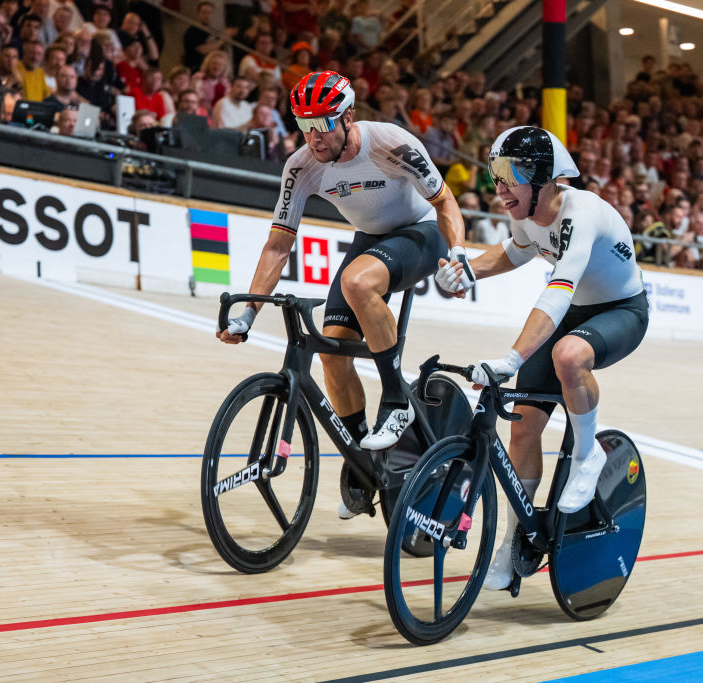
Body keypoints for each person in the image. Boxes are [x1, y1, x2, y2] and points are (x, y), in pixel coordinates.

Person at [216, 71, 468, 517]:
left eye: (322, 124)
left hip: (422, 233)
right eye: (303, 125)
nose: (312, 137)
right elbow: (278, 244)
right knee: (332, 352)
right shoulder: (301, 166)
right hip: (371, 240)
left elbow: (445, 203)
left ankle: (396, 401)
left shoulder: (390, 142)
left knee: (357, 281)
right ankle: (361, 458)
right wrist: (248, 314)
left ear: (348, 116)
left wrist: (460, 255)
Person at [436, 126, 648, 591]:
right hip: (577, 309)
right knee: (523, 423)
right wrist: (467, 270)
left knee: (570, 356)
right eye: (496, 172)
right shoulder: (526, 211)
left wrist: (513, 357)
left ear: (547, 178)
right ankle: (517, 545)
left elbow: (557, 292)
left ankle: (588, 455)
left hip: (621, 311)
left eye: (512, 173)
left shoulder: (581, 213)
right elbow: (517, 252)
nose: (501, 186)